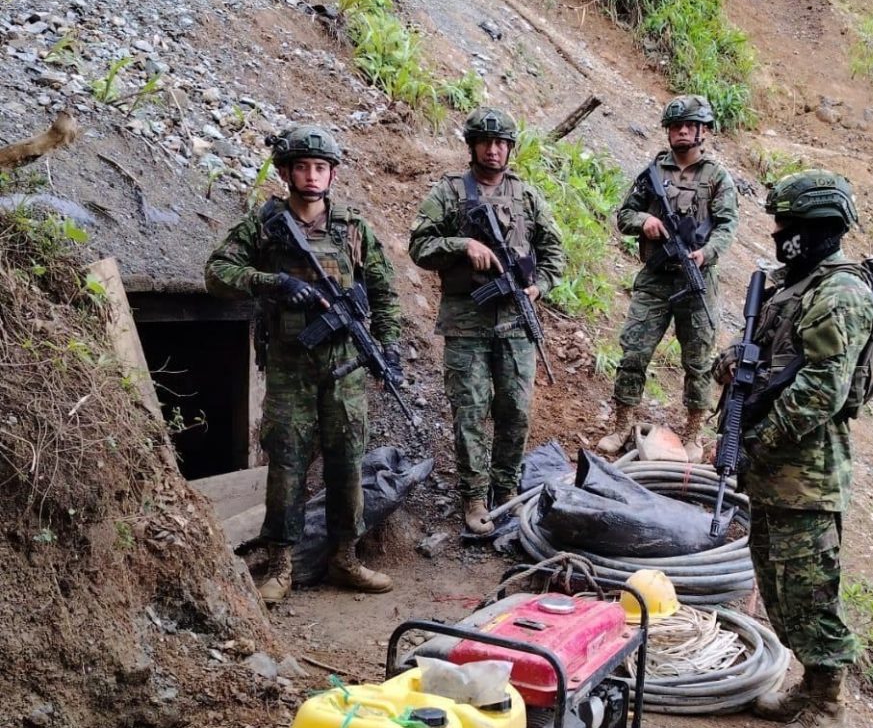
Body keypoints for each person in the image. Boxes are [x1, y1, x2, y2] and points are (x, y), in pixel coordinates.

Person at [712, 169, 873, 728]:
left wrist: (754, 441)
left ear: (815, 228)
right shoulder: (794, 285)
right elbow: (772, 360)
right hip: (775, 470)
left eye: (786, 224)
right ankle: (810, 688)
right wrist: (733, 366)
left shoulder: (840, 293)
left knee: (809, 595)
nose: (777, 233)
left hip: (806, 472)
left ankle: (829, 706)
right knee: (779, 587)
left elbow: (820, 393)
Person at [205, 124, 402, 604]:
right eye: (303, 168)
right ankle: (281, 565)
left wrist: (389, 345)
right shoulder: (264, 225)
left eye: (320, 168)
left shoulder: (353, 228)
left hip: (346, 368)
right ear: (287, 172)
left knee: (347, 464)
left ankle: (346, 556)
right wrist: (271, 281)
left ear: (331, 173)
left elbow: (384, 292)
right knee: (287, 465)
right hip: (292, 367)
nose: (312, 177)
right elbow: (216, 273)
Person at [408, 107, 565, 535]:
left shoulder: (527, 196)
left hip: (516, 321)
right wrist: (463, 245)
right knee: (470, 412)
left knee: (515, 410)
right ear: (472, 146)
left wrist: (540, 287)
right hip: (466, 323)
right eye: (485, 142)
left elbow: (554, 253)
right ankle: (474, 497)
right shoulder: (448, 192)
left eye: (501, 143)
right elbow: (419, 246)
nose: (493, 150)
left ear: (510, 148)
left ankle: (507, 490)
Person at [597, 95, 738, 459]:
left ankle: (693, 435)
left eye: (690, 125)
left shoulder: (716, 177)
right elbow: (625, 214)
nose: (682, 132)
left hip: (697, 279)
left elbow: (726, 226)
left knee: (699, 360)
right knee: (634, 351)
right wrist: (646, 221)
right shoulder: (652, 174)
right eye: (676, 126)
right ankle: (622, 425)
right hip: (656, 277)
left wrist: (706, 253)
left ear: (703, 130)